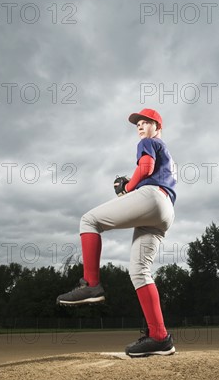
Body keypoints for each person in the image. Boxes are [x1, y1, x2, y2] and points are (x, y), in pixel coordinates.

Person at [56, 108, 177, 357]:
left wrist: (128, 187)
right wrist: (133, 187)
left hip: (152, 197)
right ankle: (159, 337)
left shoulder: (148, 142)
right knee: (140, 271)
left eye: (146, 122)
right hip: (165, 210)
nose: (141, 127)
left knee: (89, 221)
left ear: (158, 127)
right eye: (138, 124)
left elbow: (145, 166)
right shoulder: (167, 153)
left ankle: (91, 285)